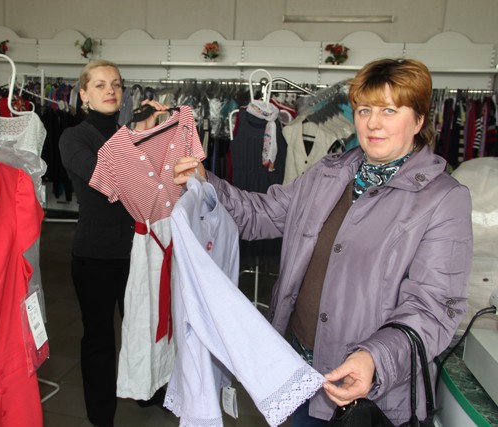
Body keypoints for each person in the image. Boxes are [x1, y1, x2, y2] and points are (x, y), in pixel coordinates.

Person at [173, 58, 473, 426]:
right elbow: (261, 214)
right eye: (364, 110)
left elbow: (434, 307)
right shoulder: (329, 173)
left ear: (419, 119)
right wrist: (207, 182)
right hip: (299, 372)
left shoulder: (442, 199)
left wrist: (375, 358)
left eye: (389, 110)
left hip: (368, 391)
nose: (373, 123)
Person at [58, 59, 168, 427]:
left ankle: (149, 391)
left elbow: (156, 185)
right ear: (84, 94)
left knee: (144, 328)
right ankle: (101, 415)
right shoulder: (73, 137)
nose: (111, 91)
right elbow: (108, 181)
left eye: (117, 84)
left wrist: (153, 135)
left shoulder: (129, 134)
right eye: (101, 85)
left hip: (139, 252)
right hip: (96, 256)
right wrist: (137, 134)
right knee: (100, 338)